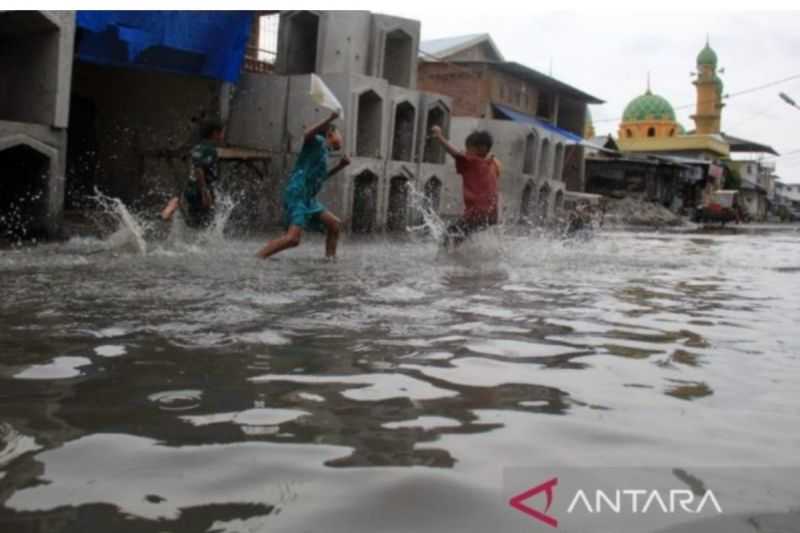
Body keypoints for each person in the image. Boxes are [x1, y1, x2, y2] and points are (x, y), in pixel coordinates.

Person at [257, 112, 350, 260]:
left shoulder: (325, 152)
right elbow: (307, 134)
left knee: (334, 225)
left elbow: (319, 178)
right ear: (330, 134)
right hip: (297, 194)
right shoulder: (317, 142)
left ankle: (329, 261)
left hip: (308, 199)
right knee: (293, 239)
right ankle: (258, 257)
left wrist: (340, 166)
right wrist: (330, 118)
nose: (342, 139)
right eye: (340, 134)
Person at [431, 126, 502, 248]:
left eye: (469, 148)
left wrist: (439, 137)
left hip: (478, 213)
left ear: (481, 148)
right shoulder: (492, 163)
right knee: (461, 235)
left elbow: (455, 153)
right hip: (492, 215)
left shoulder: (473, 161)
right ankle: (466, 258)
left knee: (448, 236)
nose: (466, 151)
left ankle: (444, 261)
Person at [161, 119, 225, 228]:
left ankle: (175, 203)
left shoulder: (197, 147)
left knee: (194, 223)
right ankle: (175, 203)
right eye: (222, 132)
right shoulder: (210, 150)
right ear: (215, 133)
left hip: (191, 188)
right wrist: (205, 192)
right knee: (204, 226)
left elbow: (195, 166)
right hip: (200, 191)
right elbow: (199, 169)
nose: (223, 135)